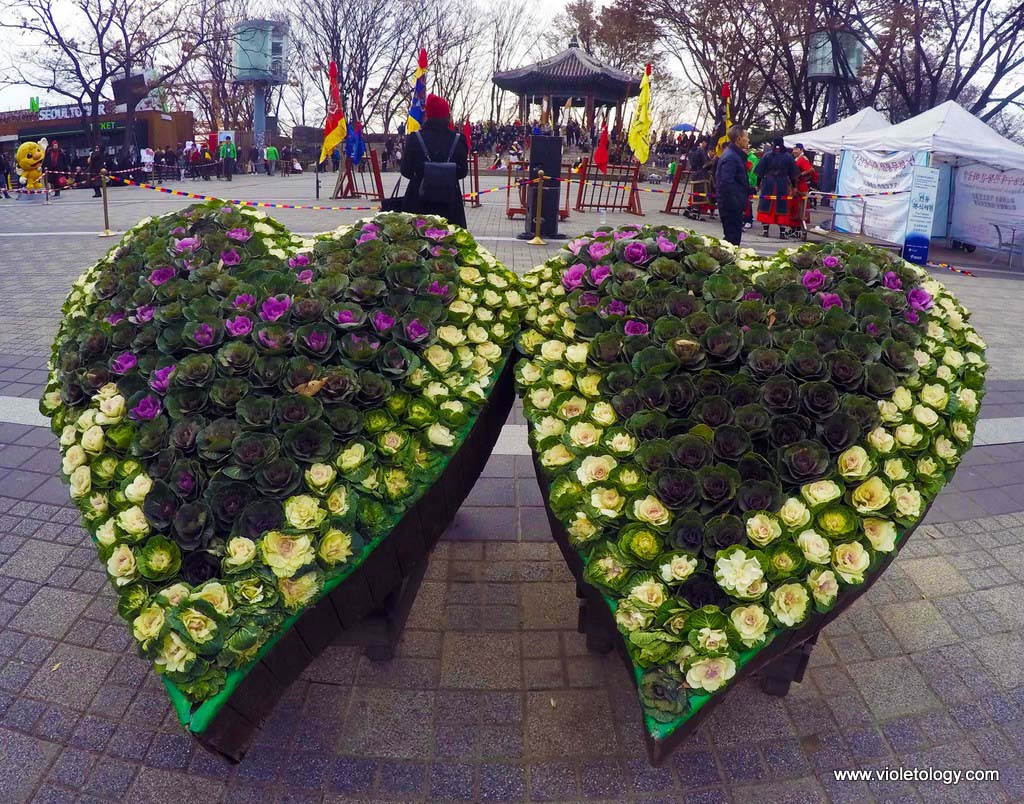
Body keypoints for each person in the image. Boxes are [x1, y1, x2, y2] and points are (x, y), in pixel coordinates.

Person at [400, 93, 469, 228]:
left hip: (418, 202)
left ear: (428, 116)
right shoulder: (458, 139)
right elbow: (462, 172)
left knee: (417, 243)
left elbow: (406, 171)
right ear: (446, 116)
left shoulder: (414, 138)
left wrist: (424, 174)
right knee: (450, 243)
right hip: (450, 203)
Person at [754, 138, 799, 238]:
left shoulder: (767, 155)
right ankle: (782, 233)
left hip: (768, 184)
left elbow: (760, 172)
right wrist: (794, 187)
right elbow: (793, 175)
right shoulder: (788, 157)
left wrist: (758, 184)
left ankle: (765, 231)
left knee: (766, 206)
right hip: (782, 184)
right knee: (782, 207)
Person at [715, 126, 750, 246]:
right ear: (739, 138)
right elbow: (726, 183)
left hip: (734, 203)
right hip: (730, 205)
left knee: (733, 238)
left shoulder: (734, 155)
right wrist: (736, 203)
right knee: (731, 240)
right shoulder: (731, 157)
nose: (748, 140)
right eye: (746, 137)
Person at [789, 143, 818, 235]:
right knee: (794, 207)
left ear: (801, 150)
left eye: (796, 149)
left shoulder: (802, 159)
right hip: (796, 186)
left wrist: (801, 175)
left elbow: (811, 170)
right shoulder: (796, 159)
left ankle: (797, 230)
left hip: (800, 187)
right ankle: (794, 229)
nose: (794, 151)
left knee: (799, 208)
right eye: (793, 149)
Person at [744, 146, 760, 229]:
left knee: (748, 203)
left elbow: (754, 173)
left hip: (749, 184)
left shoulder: (753, 158)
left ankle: (748, 220)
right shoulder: (742, 157)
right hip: (742, 183)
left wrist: (751, 183)